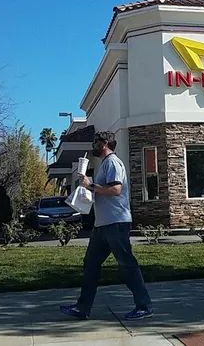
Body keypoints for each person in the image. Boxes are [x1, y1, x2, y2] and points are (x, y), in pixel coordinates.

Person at [60, 131, 153, 321]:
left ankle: (144, 306)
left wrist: (90, 185)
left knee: (127, 265)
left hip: (116, 223)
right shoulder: (104, 165)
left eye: (95, 142)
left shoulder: (112, 162)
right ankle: (82, 307)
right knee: (91, 264)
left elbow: (115, 190)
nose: (93, 146)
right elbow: (103, 190)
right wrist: (84, 192)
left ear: (103, 143)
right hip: (102, 225)